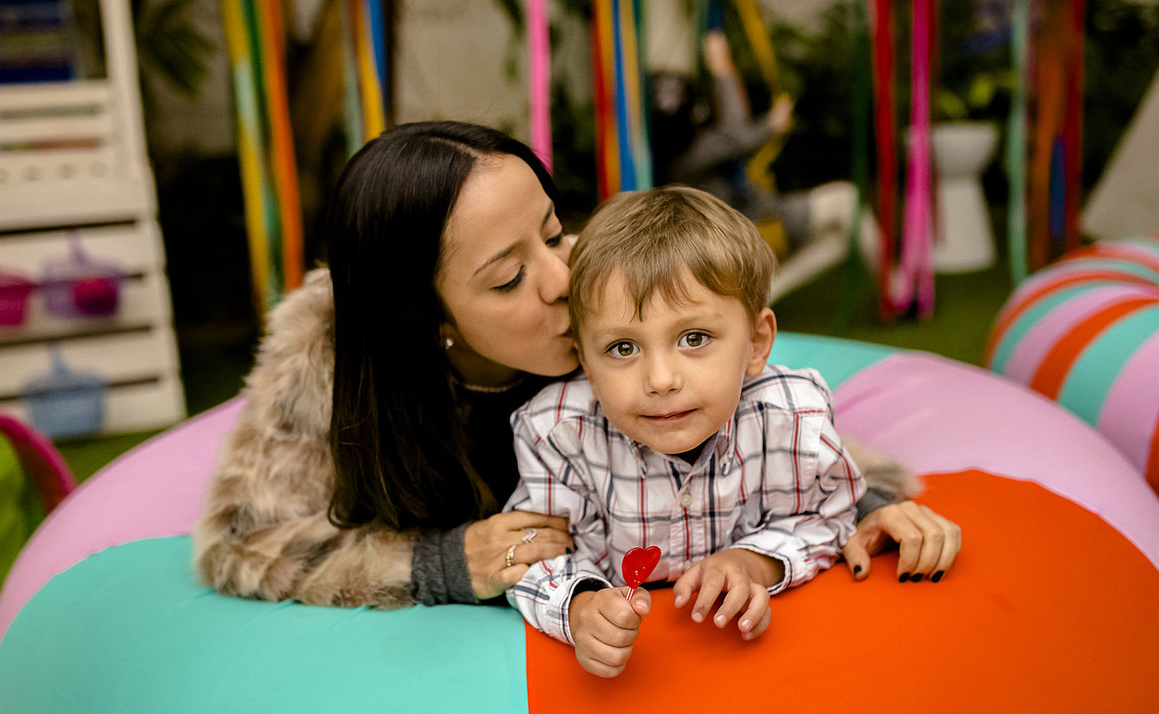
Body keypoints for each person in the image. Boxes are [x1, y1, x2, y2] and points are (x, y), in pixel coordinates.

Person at [192, 120, 959, 613]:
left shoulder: (602, 303)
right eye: (506, 278)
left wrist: (860, 507)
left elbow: (750, 414)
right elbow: (239, 542)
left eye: (554, 233)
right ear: (426, 318)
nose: (564, 278)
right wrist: (439, 561)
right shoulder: (328, 363)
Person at [506, 186, 865, 677]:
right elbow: (534, 551)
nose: (660, 380)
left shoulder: (792, 417)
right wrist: (579, 606)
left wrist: (751, 563)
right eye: (622, 348)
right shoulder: (558, 434)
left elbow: (828, 519)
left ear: (756, 342)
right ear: (585, 362)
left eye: (694, 338)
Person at [651, 31, 872, 299]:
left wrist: (769, 125)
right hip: (756, 227)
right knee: (846, 199)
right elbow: (737, 134)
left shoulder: (668, 155)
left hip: (750, 221)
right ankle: (894, 289)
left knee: (838, 242)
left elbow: (734, 139)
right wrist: (722, 68)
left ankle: (769, 291)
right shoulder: (687, 159)